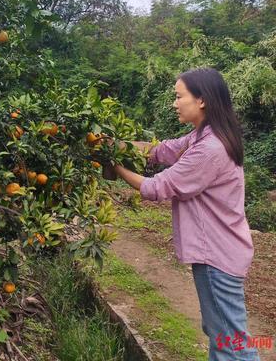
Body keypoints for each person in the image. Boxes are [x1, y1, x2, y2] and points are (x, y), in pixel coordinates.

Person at [111, 67, 260, 361]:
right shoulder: (203, 136)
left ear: (201, 100)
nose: (175, 103)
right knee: (221, 333)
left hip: (218, 254)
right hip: (219, 252)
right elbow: (162, 151)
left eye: (179, 97)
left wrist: (116, 166)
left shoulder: (210, 149)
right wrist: (118, 146)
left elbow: (158, 187)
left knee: (231, 343)